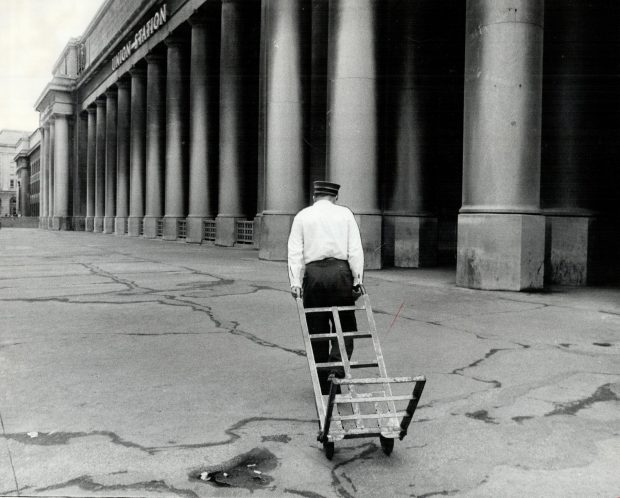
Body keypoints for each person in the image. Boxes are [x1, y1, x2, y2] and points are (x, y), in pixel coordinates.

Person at [288, 180, 364, 394]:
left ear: (315, 197)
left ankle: (323, 383)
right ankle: (337, 370)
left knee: (317, 328)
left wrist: (295, 282)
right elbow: (355, 250)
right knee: (345, 324)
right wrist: (357, 280)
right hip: (340, 273)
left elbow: (295, 252)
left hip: (313, 275)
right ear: (335, 197)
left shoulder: (302, 216)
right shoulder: (345, 214)